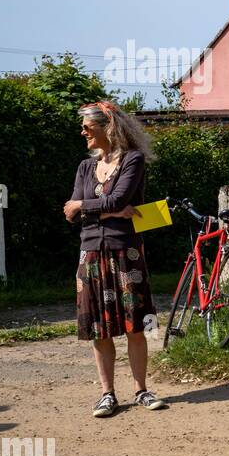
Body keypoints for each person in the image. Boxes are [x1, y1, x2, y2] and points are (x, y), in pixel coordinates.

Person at [63, 100, 163, 418]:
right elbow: (70, 213)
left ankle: (141, 390)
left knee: (135, 324)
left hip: (126, 250)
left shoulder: (132, 160)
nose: (82, 132)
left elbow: (116, 198)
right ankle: (107, 394)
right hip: (90, 251)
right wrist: (108, 208)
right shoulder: (84, 167)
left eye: (87, 127)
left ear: (107, 128)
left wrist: (86, 204)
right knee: (98, 327)